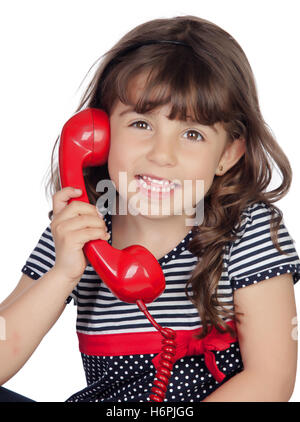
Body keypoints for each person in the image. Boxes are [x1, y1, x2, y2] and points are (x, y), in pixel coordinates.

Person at [0, 15, 299, 403]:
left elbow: (270, 381)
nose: (162, 154)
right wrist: (63, 272)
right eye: (141, 124)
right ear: (100, 135)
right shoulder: (80, 227)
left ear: (227, 153)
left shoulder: (248, 230)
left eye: (192, 134)